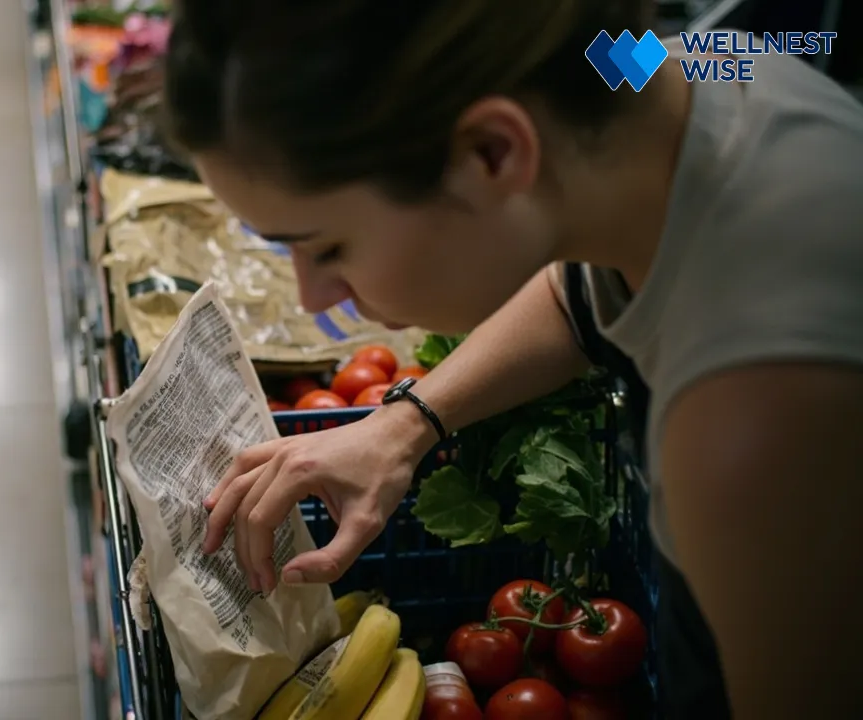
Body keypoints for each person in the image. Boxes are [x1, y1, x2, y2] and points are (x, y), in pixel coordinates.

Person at [160, 1, 863, 718]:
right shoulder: (661, 72)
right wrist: (401, 429)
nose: (315, 299)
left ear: (493, 154)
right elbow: (579, 293)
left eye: (327, 247)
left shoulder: (757, 411)